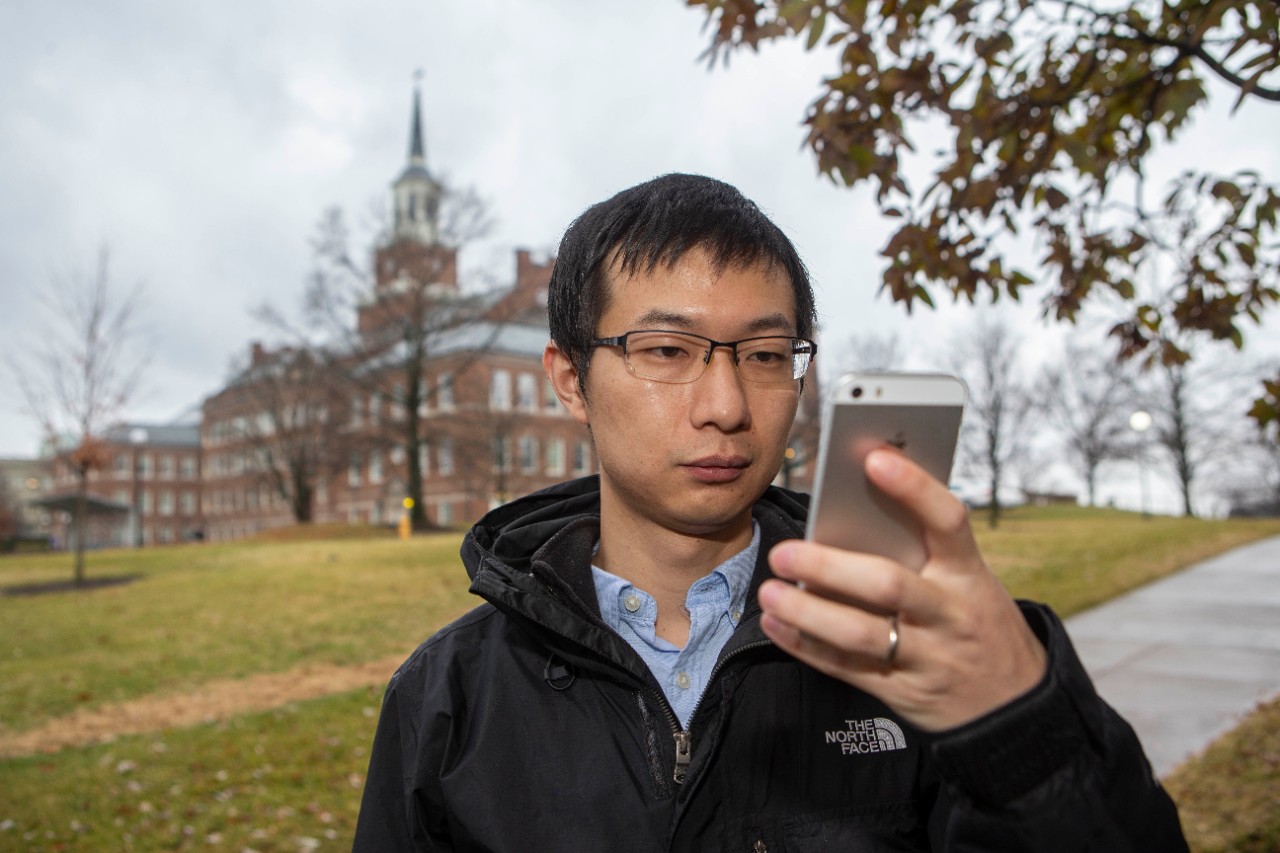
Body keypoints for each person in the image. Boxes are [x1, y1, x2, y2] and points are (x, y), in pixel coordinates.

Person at [352, 173, 1188, 851]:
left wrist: (1028, 727)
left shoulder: (910, 655)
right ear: (570, 378)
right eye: (668, 350)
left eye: (763, 354)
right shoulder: (446, 697)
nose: (726, 405)